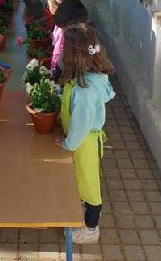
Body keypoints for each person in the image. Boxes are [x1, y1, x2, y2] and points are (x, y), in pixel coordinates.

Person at [56, 25, 115, 244]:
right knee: (84, 180)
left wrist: (66, 143)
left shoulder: (85, 91)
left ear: (73, 56)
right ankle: (84, 212)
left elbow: (80, 125)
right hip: (84, 140)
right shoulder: (90, 77)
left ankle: (91, 228)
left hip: (84, 143)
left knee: (89, 185)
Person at [47, 0, 77, 78]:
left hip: (62, 66)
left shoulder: (62, 29)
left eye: (49, 5)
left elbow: (58, 51)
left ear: (56, 8)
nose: (48, 7)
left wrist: (52, 68)